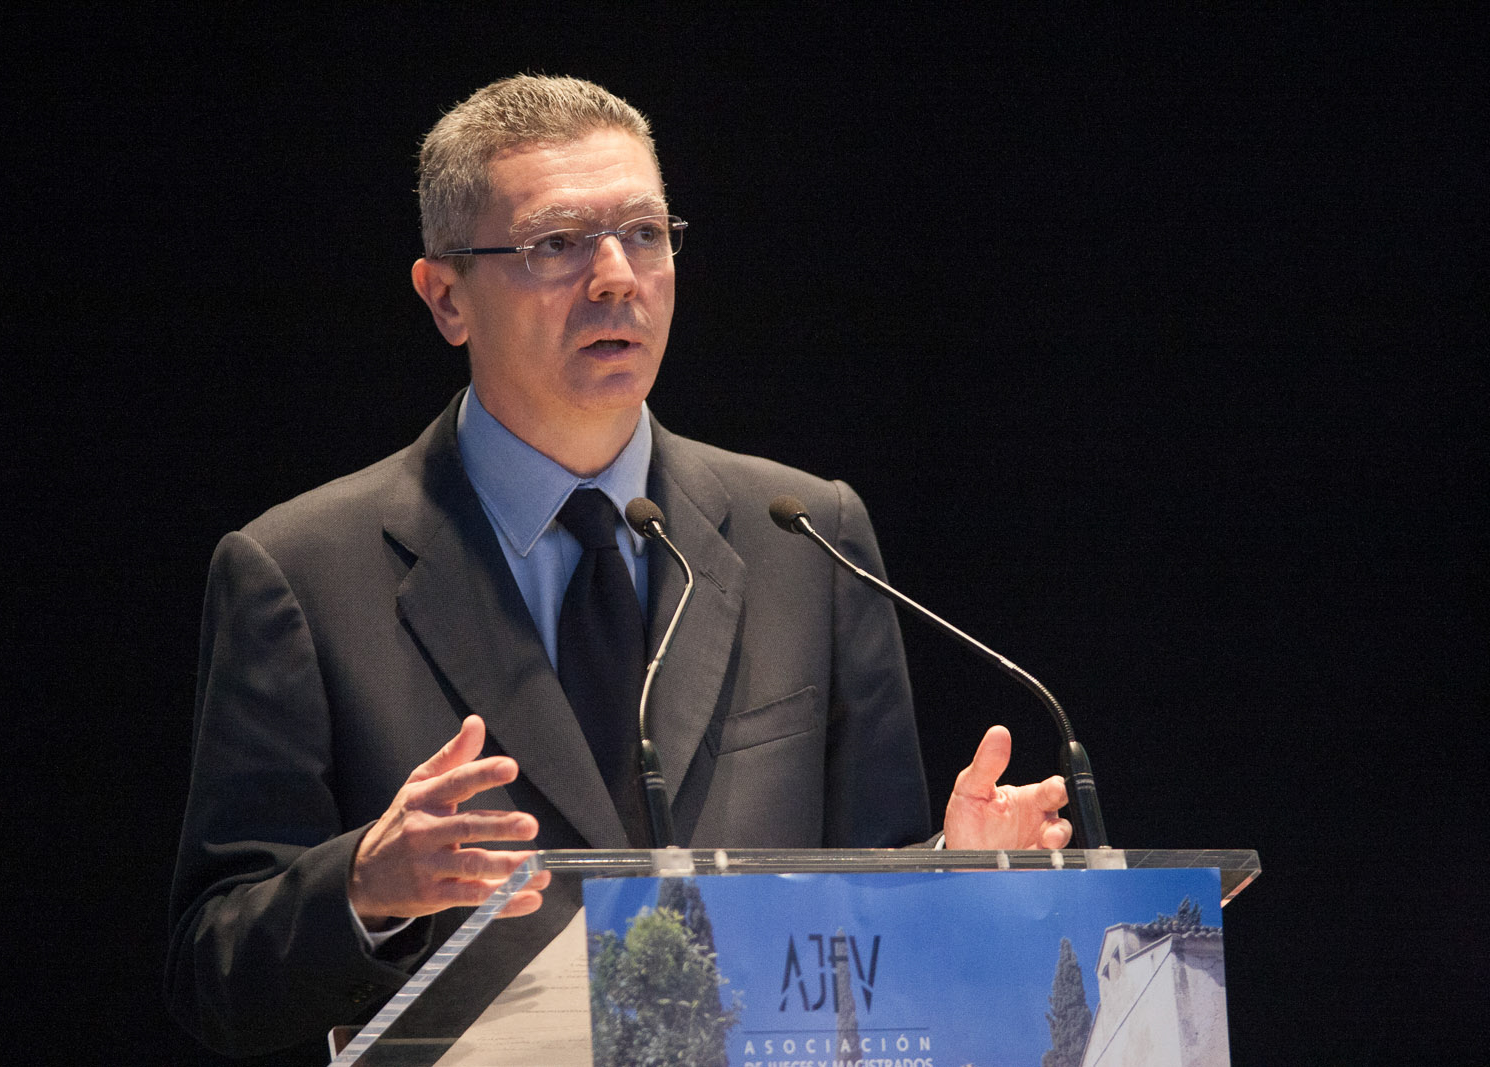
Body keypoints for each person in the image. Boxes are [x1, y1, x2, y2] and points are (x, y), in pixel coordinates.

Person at [166, 75, 1071, 1063]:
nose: (615, 277)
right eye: (556, 243)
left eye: (644, 233)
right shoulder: (300, 573)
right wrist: (362, 889)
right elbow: (216, 972)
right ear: (446, 297)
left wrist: (950, 871)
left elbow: (859, 908)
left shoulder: (805, 535)